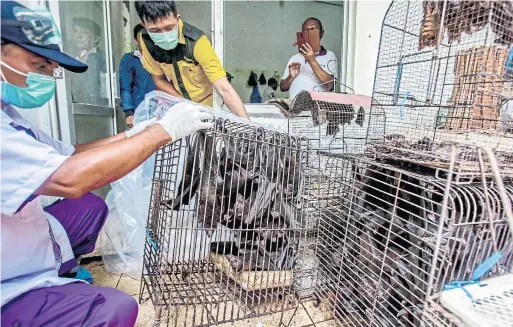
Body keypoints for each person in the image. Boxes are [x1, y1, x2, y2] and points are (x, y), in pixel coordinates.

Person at [0, 2, 213, 326]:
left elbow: (69, 152)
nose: (46, 76)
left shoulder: (8, 114)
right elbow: (69, 179)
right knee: (115, 309)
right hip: (8, 277)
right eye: (38, 64)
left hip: (20, 235)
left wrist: (137, 134)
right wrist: (162, 131)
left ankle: (60, 272)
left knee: (90, 208)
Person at [134, 0, 249, 118]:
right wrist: (183, 104)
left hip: (211, 109)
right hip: (183, 109)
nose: (164, 35)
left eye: (169, 27)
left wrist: (248, 124)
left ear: (178, 19)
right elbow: (158, 79)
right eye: (155, 30)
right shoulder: (146, 41)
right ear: (144, 25)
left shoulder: (196, 42)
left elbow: (224, 89)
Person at [280, 17, 338, 100]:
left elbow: (330, 85)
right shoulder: (295, 58)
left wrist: (312, 60)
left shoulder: (330, 55)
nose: (309, 33)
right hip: (295, 108)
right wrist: (291, 76)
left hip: (317, 109)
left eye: (313, 29)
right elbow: (283, 87)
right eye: (306, 30)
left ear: (321, 33)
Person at [120, 24, 156, 127]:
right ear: (136, 41)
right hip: (139, 113)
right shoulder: (129, 60)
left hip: (162, 112)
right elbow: (125, 87)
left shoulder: (164, 59)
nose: (147, 41)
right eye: (143, 38)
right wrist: (129, 112)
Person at [70, 17, 108, 105]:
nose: (78, 35)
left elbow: (106, 91)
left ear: (96, 39)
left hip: (94, 109)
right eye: (75, 31)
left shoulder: (102, 58)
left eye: (83, 32)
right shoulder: (70, 55)